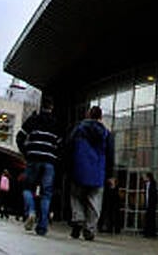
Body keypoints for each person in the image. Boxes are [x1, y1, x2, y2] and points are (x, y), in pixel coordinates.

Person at [66, 105, 115, 241]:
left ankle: (78, 219)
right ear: (100, 117)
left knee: (76, 197)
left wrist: (68, 167)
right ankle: (90, 229)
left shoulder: (78, 129)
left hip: (79, 169)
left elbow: (69, 147)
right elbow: (110, 155)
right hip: (98, 172)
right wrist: (110, 175)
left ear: (88, 115)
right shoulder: (106, 134)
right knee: (94, 201)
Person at [16, 95, 61, 236]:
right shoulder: (56, 123)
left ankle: (31, 211)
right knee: (46, 194)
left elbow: (20, 137)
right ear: (52, 108)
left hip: (33, 159)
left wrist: (26, 153)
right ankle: (42, 227)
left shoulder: (32, 120)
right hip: (49, 162)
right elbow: (60, 145)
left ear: (40, 106)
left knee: (27, 188)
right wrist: (54, 157)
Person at [142, 172, 158, 238]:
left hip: (152, 204)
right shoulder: (145, 185)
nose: (144, 178)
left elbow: (155, 195)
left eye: (145, 176)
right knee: (147, 219)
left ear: (148, 177)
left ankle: (152, 233)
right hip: (147, 204)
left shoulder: (153, 184)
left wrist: (153, 203)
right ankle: (146, 233)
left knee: (151, 219)